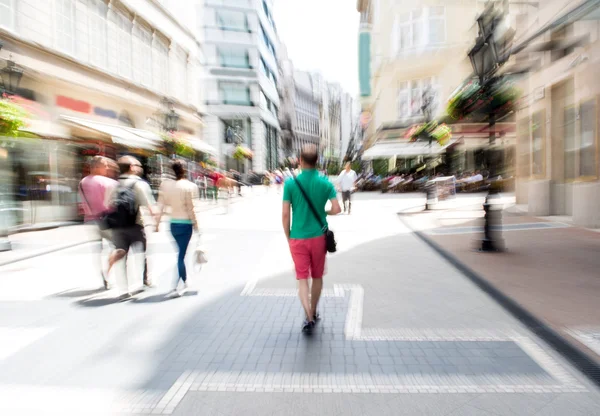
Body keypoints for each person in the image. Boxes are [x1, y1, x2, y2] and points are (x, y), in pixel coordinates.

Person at [282, 145, 341, 333]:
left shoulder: (291, 184)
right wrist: (324, 212)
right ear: (317, 162)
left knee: (302, 279)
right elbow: (337, 208)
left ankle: (307, 316)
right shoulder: (325, 183)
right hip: (318, 237)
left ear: (300, 160)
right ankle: (314, 311)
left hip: (297, 237)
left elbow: (285, 215)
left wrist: (288, 236)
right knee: (317, 276)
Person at [105, 156, 157, 298]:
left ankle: (123, 290)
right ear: (132, 168)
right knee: (141, 254)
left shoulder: (113, 185)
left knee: (121, 257)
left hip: (118, 227)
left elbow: (108, 205)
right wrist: (155, 223)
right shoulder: (139, 184)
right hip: (136, 224)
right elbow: (149, 206)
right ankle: (141, 282)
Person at [156, 160, 200, 297]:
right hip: (185, 224)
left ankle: (185, 280)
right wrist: (196, 225)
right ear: (184, 170)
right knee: (181, 255)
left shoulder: (165, 185)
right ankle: (175, 286)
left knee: (180, 253)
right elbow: (191, 208)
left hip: (172, 224)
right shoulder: (188, 186)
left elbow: (161, 206)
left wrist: (156, 223)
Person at [78, 156, 118, 289]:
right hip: (106, 220)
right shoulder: (109, 182)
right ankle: (109, 270)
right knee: (117, 247)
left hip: (90, 221)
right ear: (96, 167)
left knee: (97, 251)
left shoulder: (82, 182)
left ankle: (103, 276)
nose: (107, 168)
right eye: (105, 165)